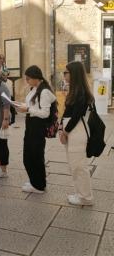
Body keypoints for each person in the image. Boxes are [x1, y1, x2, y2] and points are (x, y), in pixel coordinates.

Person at [13, 65, 56, 194]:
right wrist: (19, 105)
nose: (26, 81)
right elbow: (32, 106)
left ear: (35, 77)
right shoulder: (35, 89)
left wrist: (27, 109)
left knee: (33, 156)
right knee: (31, 155)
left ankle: (38, 185)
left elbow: (45, 113)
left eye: (28, 78)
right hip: (31, 125)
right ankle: (37, 181)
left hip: (37, 126)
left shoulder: (44, 92)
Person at [59, 61, 94, 205]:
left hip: (77, 131)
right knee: (74, 165)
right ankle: (79, 194)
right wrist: (61, 127)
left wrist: (65, 131)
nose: (64, 75)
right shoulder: (74, 91)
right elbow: (67, 112)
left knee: (79, 166)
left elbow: (76, 115)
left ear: (73, 74)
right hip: (71, 130)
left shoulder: (81, 92)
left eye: (65, 72)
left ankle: (85, 198)